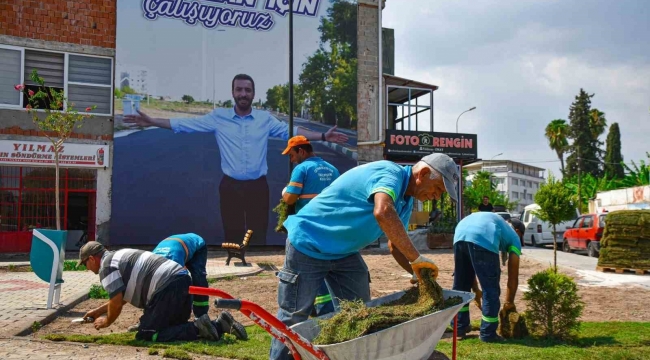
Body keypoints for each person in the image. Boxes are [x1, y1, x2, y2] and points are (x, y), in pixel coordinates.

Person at [270, 153, 460, 360]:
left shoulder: (405, 201)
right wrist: (417, 258)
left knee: (360, 315)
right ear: (422, 173)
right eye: (439, 188)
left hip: (344, 254)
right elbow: (383, 212)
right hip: (309, 243)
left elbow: (395, 246)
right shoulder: (390, 174)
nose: (437, 196)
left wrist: (419, 272)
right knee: (293, 317)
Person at [123, 74, 349, 246]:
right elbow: (185, 125)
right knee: (231, 232)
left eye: (247, 90)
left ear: (253, 94)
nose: (243, 93)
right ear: (233, 92)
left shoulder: (264, 119)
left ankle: (259, 268)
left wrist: (322, 136)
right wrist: (152, 121)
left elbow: (291, 131)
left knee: (258, 232)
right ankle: (235, 264)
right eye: (239, 89)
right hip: (230, 186)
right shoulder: (219, 117)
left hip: (258, 187)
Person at [78, 242, 246, 342]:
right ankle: (219, 324)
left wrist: (107, 321)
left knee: (146, 334)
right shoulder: (118, 255)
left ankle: (198, 327)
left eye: (85, 264)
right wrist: (98, 311)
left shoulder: (105, 267)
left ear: (92, 258)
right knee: (172, 327)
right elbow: (122, 297)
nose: (87, 268)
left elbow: (116, 302)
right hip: (180, 279)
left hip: (166, 287)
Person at [281, 135, 340, 316]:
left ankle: (308, 310)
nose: (291, 159)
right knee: (326, 268)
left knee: (301, 272)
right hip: (329, 228)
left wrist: (284, 192)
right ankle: (327, 310)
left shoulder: (302, 169)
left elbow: (290, 198)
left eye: (292, 155)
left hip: (307, 230)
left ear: (301, 151)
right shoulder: (333, 169)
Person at [450, 212, 523, 342]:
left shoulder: (499, 224)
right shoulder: (514, 238)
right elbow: (513, 277)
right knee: (491, 289)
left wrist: (476, 290)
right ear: (517, 231)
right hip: (484, 235)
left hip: (460, 233)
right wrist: (509, 302)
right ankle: (488, 334)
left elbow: (469, 272)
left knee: (461, 285)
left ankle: (459, 327)